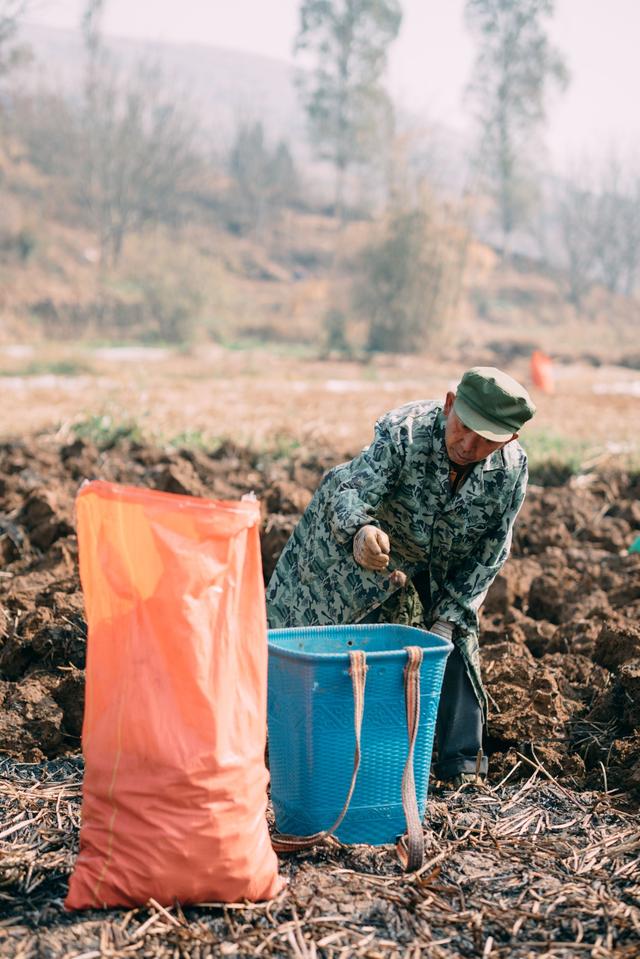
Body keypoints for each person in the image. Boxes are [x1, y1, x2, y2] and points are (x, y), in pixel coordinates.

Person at [266, 367, 536, 786]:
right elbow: (350, 491)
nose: (468, 445)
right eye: (463, 429)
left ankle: (458, 768)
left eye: (486, 441)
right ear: (449, 405)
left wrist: (447, 620)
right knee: (315, 646)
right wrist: (360, 531)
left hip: (434, 566)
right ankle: (286, 742)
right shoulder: (405, 432)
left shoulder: (511, 471)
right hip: (353, 553)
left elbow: (491, 553)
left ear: (510, 440)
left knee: (451, 649)